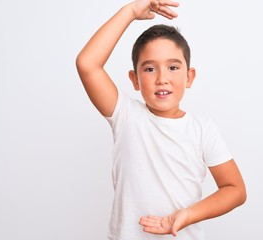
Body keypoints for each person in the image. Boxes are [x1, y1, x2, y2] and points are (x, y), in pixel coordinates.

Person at [76, 0, 247, 239]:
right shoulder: (126, 116)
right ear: (135, 80)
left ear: (190, 77)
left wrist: (187, 215)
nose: (162, 78)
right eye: (149, 69)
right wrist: (131, 11)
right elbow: (87, 64)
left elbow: (235, 190)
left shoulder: (202, 130)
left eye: (173, 68)